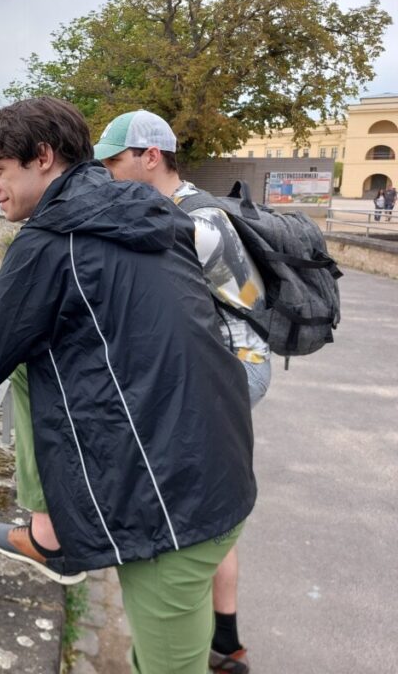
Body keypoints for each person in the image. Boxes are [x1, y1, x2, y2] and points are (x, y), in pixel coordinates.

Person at [0, 96, 255, 674]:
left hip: (170, 509)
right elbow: (75, 313)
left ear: (44, 158)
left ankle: (50, 537)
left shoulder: (54, 239)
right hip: (216, 465)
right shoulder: (139, 208)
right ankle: (52, 535)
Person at [95, 110, 271, 673]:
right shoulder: (168, 212)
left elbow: (248, 303)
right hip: (219, 365)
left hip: (235, 366)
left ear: (150, 156)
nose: (107, 173)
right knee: (210, 515)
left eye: (114, 161)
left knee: (192, 508)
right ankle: (226, 642)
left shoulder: (200, 220)